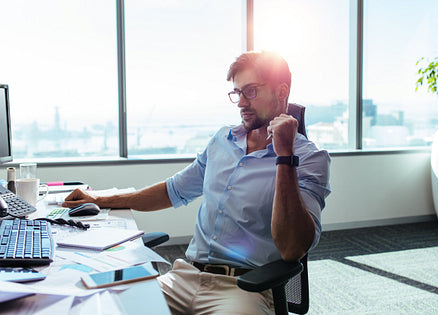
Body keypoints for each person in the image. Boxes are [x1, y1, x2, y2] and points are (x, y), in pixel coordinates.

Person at [62, 50, 331, 314]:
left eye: (251, 91)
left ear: (282, 91)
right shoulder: (222, 140)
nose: (241, 103)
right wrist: (100, 200)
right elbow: (173, 190)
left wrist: (285, 157)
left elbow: (292, 247)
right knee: (103, 305)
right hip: (183, 278)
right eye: (237, 93)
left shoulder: (309, 158)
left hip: (243, 290)